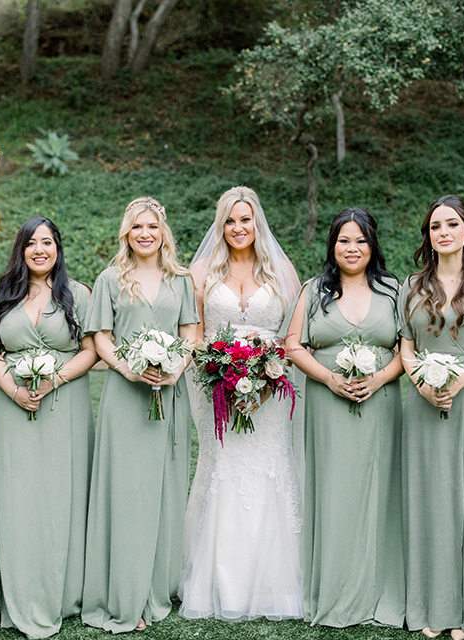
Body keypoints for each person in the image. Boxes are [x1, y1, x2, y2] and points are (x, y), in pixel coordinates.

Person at [180, 186, 303, 621]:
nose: (238, 228)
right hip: (215, 385)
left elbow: (291, 339)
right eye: (230, 220)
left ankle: (274, 584)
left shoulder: (282, 274)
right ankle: (219, 582)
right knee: (224, 466)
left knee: (270, 465)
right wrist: (222, 373)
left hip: (270, 388)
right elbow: (193, 334)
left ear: (258, 222)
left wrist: (266, 374)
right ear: (221, 224)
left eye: (245, 219)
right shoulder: (200, 274)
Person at [283, 207, 406, 627]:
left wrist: (379, 379)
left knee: (379, 492)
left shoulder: (395, 289)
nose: (352, 249)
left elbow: (406, 350)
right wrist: (329, 379)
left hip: (382, 403)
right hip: (328, 404)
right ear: (332, 245)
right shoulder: (313, 290)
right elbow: (294, 345)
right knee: (334, 493)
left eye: (360, 240)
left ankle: (380, 589)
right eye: (343, 240)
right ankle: (334, 591)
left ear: (373, 245)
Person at [81, 196, 199, 633]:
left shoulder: (180, 280)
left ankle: (157, 586)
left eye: (152, 227)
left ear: (162, 232)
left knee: (164, 489)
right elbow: (101, 338)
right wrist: (128, 367)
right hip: (124, 397)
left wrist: (175, 367)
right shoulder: (111, 279)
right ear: (126, 234)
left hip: (169, 396)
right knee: (127, 493)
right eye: (136, 228)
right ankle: (124, 592)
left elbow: (190, 333)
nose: (145, 234)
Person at [397, 195, 464, 640]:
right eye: (434, 227)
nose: (442, 232)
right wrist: (423, 384)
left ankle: (463, 611)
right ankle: (426, 604)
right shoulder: (411, 284)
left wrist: (457, 383)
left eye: (451, 225)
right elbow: (405, 346)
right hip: (422, 405)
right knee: (426, 502)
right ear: (428, 236)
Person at [0, 216, 98, 638]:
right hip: (13, 408)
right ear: (21, 250)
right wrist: (13, 390)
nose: (39, 250)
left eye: (47, 242)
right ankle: (20, 590)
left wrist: (53, 381)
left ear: (58, 248)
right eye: (31, 243)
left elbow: (91, 351)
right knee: (18, 497)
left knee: (64, 494)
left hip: (65, 406)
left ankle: (67, 592)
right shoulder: (3, 296)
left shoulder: (78, 294)